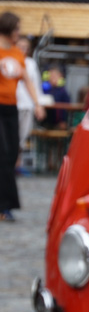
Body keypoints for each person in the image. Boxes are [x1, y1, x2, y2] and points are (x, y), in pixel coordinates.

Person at [0, 12, 45, 222]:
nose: (19, 32)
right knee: (3, 153)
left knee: (10, 155)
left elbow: (27, 81)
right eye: (16, 28)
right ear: (8, 29)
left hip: (11, 108)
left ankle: (6, 205)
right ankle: (4, 206)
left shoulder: (18, 54)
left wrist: (37, 103)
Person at [14, 36, 43, 160]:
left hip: (27, 104)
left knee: (22, 136)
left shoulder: (31, 63)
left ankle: (15, 165)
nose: (23, 49)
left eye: (26, 47)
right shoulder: (9, 59)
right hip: (11, 103)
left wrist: (38, 104)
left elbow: (35, 84)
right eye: (20, 46)